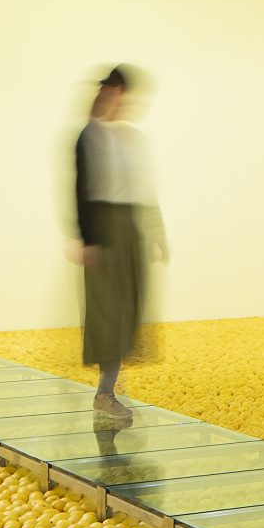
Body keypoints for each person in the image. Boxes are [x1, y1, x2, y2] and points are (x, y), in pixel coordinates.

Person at [70, 65, 165, 426]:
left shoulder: (132, 138)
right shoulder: (91, 135)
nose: (125, 103)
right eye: (120, 94)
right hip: (104, 229)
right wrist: (86, 237)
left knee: (128, 309)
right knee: (108, 312)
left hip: (129, 227)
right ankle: (104, 393)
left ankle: (110, 386)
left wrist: (156, 230)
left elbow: (144, 189)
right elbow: (81, 187)